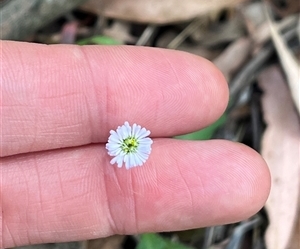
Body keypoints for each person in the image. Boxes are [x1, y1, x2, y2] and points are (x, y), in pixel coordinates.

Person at [0, 40, 270, 248]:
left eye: (130, 143)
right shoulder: (124, 140)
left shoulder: (134, 145)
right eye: (129, 143)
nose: (130, 144)